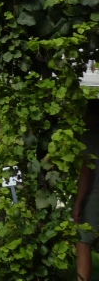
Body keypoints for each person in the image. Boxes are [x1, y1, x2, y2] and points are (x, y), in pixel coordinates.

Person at [73, 99, 99, 281]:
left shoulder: (88, 137)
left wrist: (78, 203)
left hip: (94, 197)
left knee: (83, 243)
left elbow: (86, 172)